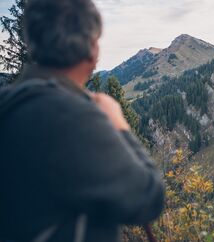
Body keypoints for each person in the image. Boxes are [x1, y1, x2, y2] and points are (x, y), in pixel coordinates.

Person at [0, 0, 165, 241]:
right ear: (91, 47)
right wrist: (119, 125)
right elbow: (147, 198)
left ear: (33, 42)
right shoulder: (71, 118)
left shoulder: (9, 102)